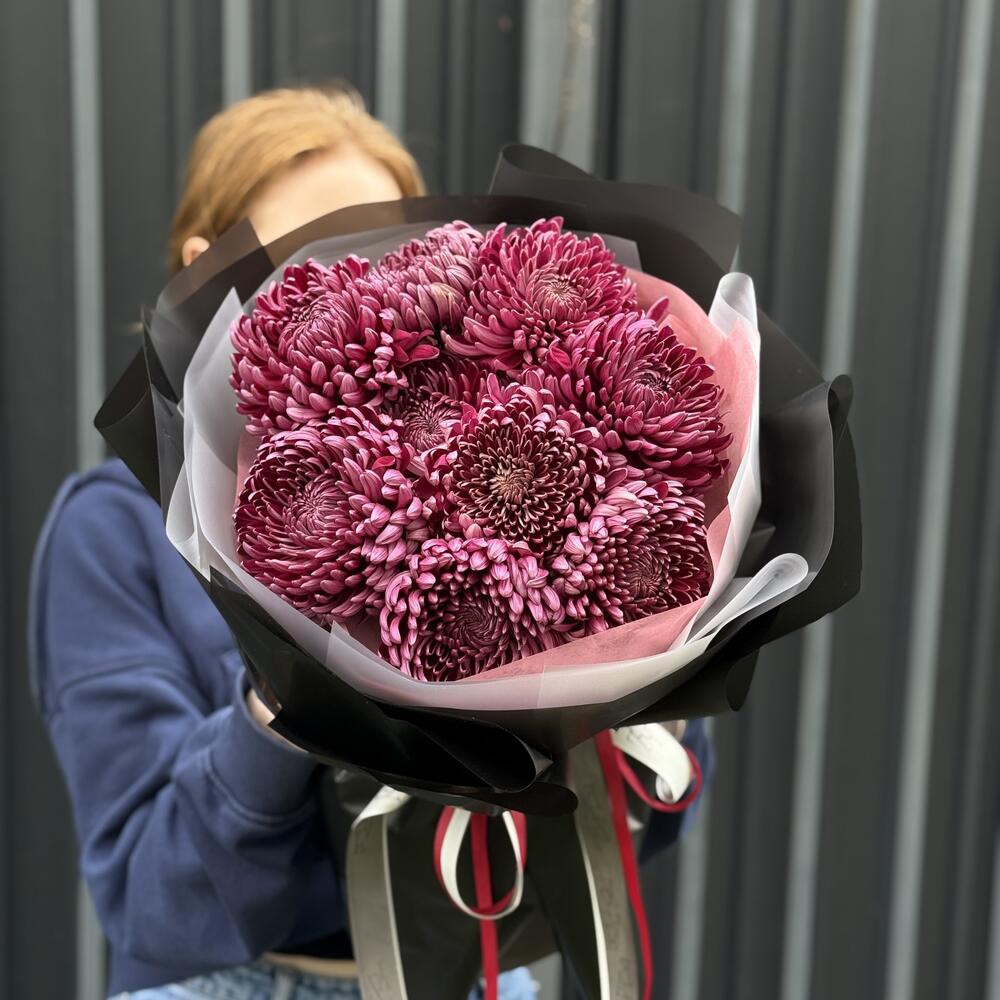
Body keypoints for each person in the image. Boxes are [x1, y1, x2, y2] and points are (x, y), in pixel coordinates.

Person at [30, 86, 712, 1000]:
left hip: (473, 977)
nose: (359, 291)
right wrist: (289, 702)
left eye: (387, 251)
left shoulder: (503, 482)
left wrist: (633, 670)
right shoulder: (111, 531)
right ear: (205, 275)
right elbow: (152, 894)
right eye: (317, 253)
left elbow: (653, 819)